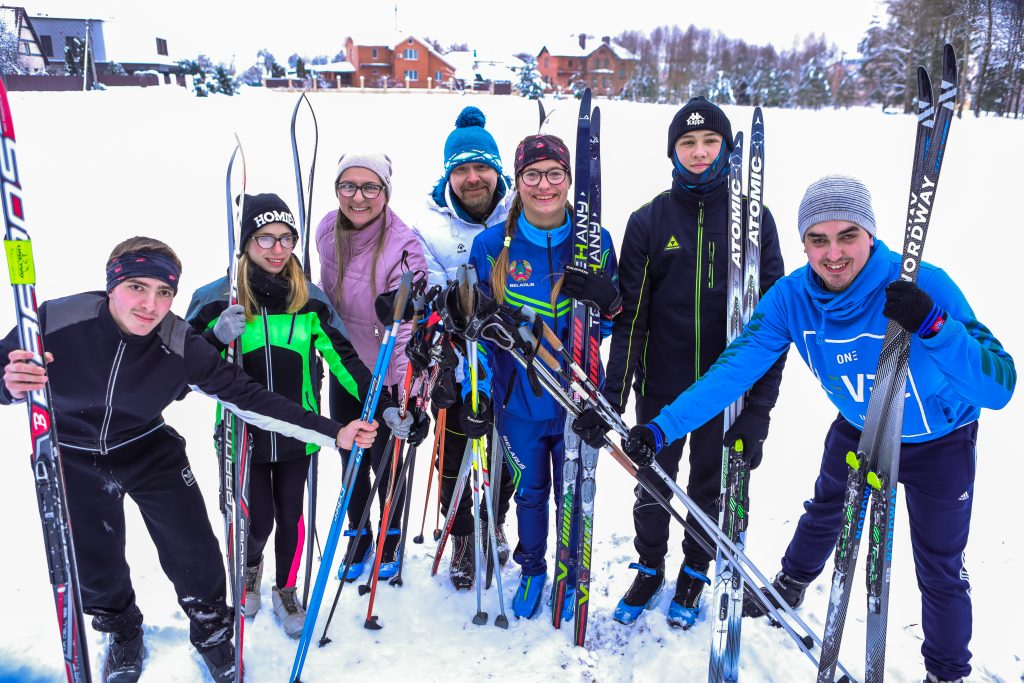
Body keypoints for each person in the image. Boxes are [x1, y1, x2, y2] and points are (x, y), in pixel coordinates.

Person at [601, 175, 1014, 683]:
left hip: (940, 442)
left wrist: (933, 326)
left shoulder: (923, 284)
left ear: (870, 236)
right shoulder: (791, 298)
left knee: (939, 567)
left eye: (847, 236)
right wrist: (662, 428)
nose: (833, 253)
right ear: (804, 243)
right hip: (861, 427)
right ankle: (790, 584)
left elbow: (999, 386)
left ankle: (947, 673)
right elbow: (733, 371)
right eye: (818, 239)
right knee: (825, 513)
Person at [0, 237, 377, 682]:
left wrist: (335, 431)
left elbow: (250, 398)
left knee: (193, 549)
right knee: (93, 558)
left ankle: (214, 634)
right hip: (71, 453)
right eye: (137, 287)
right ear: (112, 284)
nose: (150, 304)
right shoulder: (56, 319)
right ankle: (121, 633)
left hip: (147, 446)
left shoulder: (179, 342)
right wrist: (9, 383)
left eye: (164, 292)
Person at [574, 96, 786, 629]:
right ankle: (649, 566)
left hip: (727, 392)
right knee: (652, 481)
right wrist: (612, 397)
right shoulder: (649, 220)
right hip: (660, 387)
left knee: (709, 487)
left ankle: (696, 568)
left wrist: (758, 411)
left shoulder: (755, 222)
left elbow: (775, 327)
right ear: (672, 151)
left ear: (728, 148)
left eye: (710, 141)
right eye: (687, 143)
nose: (698, 152)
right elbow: (632, 318)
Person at [186, 193, 398, 638]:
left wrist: (384, 404)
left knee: (292, 515)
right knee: (255, 515)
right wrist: (212, 336)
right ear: (246, 243)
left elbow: (346, 362)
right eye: (265, 238)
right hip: (240, 432)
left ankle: (285, 588)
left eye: (286, 238)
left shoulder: (310, 301)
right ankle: (249, 567)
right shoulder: (215, 298)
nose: (277, 249)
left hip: (298, 432)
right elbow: (182, 373)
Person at [468, 134, 620, 620]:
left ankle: (569, 570)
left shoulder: (596, 241)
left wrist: (607, 299)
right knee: (531, 491)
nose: (544, 185)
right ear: (517, 183)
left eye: (555, 174)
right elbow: (478, 331)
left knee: (573, 492)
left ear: (570, 180)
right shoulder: (492, 245)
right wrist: (481, 392)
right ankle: (532, 568)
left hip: (579, 396)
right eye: (531, 175)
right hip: (521, 401)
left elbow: (613, 321)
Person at [409, 105, 517, 590]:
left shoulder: (523, 215)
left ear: (497, 170)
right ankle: (463, 536)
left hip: (516, 363)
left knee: (510, 454)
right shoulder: (429, 228)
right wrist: (446, 317)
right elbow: (428, 296)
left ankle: (493, 520)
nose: (473, 179)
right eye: (462, 169)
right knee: (455, 454)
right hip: (457, 365)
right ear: (449, 174)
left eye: (482, 167)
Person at [315, 152, 428, 580]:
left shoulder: (404, 247)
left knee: (386, 457)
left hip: (387, 369)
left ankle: (390, 537)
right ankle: (358, 535)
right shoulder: (327, 229)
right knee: (350, 452)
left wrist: (407, 394)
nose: (358, 197)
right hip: (344, 362)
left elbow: (406, 328)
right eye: (348, 186)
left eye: (370, 187)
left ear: (385, 191)